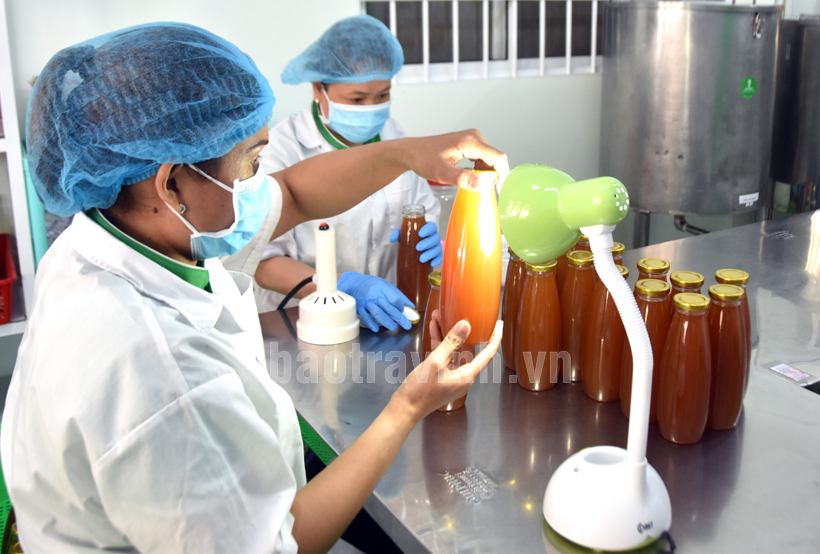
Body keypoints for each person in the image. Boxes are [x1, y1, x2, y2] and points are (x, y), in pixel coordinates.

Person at [0, 23, 506, 553]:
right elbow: (279, 543)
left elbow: (295, 194)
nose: (262, 183)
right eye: (252, 162)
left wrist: (409, 153)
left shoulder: (118, 233)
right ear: (171, 184)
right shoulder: (162, 378)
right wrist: (408, 405)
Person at [253, 15, 443, 331]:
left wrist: (430, 238)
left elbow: (422, 208)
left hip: (384, 317)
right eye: (357, 99)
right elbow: (262, 261)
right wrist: (339, 284)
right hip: (304, 324)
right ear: (319, 89)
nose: (372, 108)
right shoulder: (282, 149)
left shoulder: (393, 136)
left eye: (382, 95)